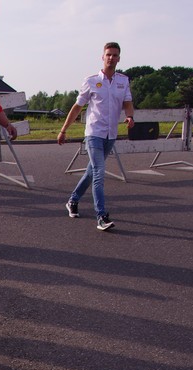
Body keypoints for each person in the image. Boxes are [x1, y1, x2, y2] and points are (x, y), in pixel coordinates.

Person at [57, 42, 135, 232]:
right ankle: (101, 216)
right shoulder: (91, 81)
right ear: (102, 57)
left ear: (119, 58)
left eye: (115, 55)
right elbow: (77, 107)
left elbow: (127, 102)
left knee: (91, 172)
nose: (111, 58)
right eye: (108, 54)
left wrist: (130, 116)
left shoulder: (123, 81)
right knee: (99, 173)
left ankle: (73, 200)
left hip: (111, 134)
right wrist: (64, 129)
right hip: (94, 133)